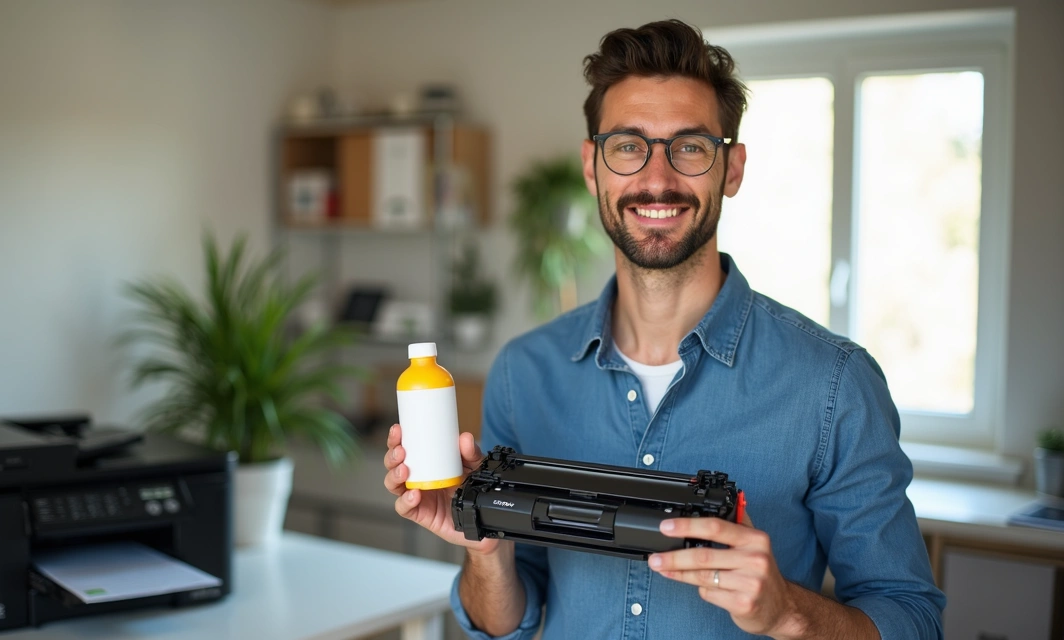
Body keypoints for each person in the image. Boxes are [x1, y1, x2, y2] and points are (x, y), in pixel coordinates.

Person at [383, 19, 945, 640]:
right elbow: (508, 621)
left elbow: (912, 620)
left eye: (690, 147)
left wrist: (787, 611)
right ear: (593, 167)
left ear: (730, 169)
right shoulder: (524, 372)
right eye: (628, 145)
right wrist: (485, 550)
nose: (657, 178)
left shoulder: (834, 384)